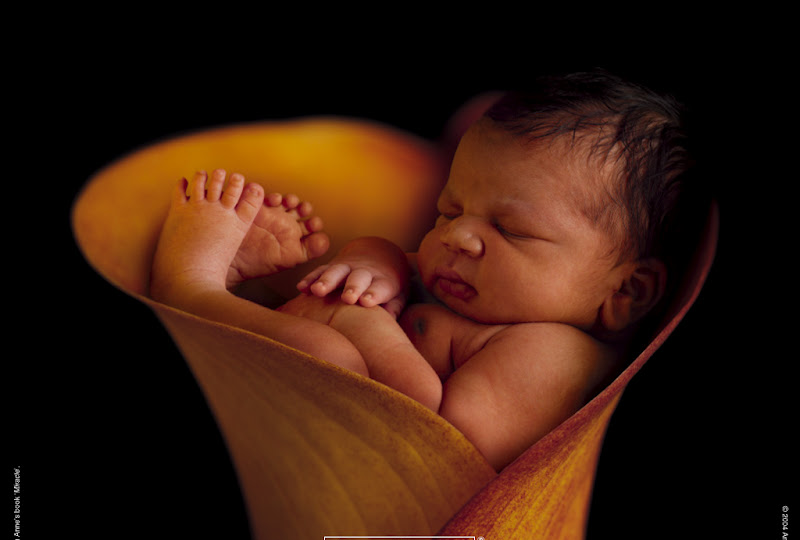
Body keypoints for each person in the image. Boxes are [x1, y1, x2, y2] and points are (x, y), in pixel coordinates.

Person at [150, 71, 694, 470]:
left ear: (627, 291)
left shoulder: (555, 353)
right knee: (337, 308)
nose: (456, 235)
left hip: (372, 498)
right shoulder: (483, 294)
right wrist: (374, 261)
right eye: (449, 210)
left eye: (510, 231)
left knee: (330, 354)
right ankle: (246, 286)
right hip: (289, 415)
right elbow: (408, 264)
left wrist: (364, 326)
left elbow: (439, 448)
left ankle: (192, 289)